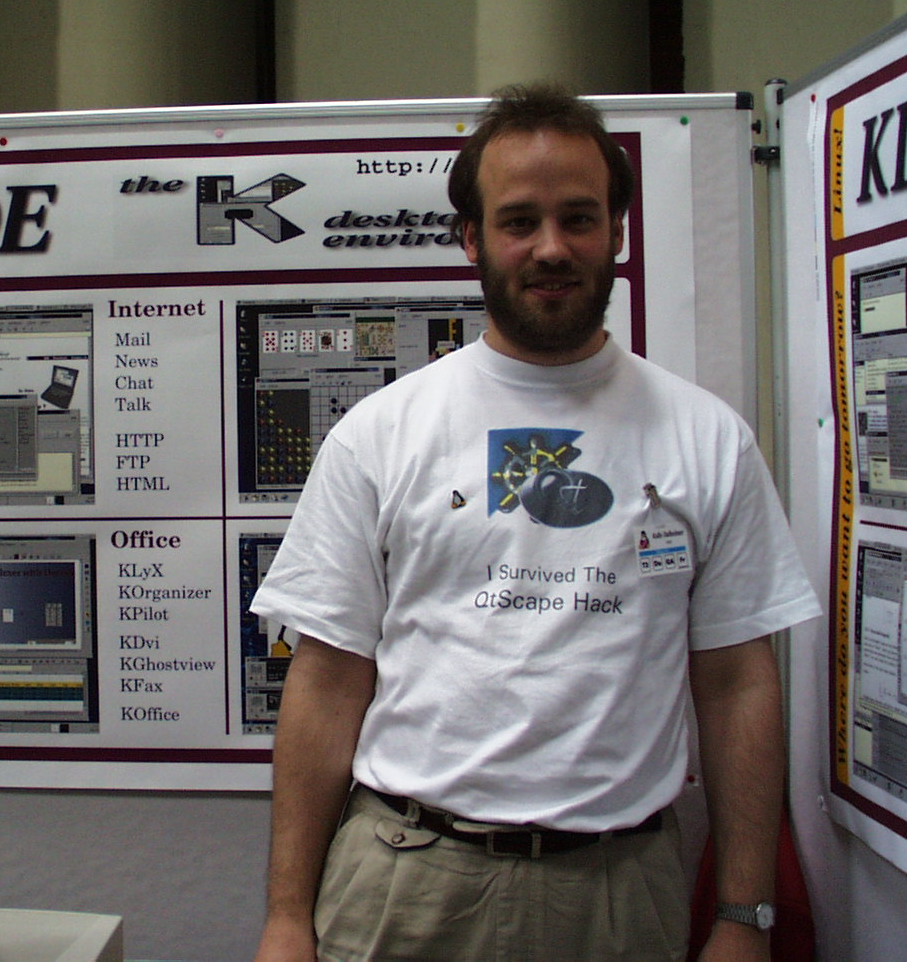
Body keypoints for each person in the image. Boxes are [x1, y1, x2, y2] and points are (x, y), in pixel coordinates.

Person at [248, 83, 820, 962]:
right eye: (519, 221)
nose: (551, 247)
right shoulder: (382, 433)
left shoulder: (707, 439)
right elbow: (326, 682)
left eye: (578, 218)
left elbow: (738, 682)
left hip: (622, 894)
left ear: (617, 231)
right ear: (472, 238)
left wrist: (745, 918)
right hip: (405, 880)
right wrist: (287, 917)